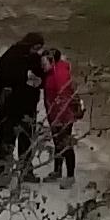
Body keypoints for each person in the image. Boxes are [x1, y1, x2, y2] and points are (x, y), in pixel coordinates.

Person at [0, 29, 47, 181]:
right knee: (8, 140)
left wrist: (39, 78)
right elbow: (5, 73)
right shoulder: (11, 56)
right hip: (11, 106)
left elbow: (43, 76)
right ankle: (4, 173)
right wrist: (25, 76)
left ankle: (25, 171)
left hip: (27, 106)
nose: (37, 51)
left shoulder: (34, 58)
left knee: (26, 140)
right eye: (36, 47)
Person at [39, 43, 82, 182]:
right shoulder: (53, 72)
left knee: (65, 145)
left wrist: (60, 119)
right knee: (58, 144)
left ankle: (70, 176)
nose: (42, 66)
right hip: (55, 115)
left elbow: (64, 98)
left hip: (62, 116)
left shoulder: (59, 75)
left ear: (52, 61)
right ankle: (57, 171)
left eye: (44, 63)